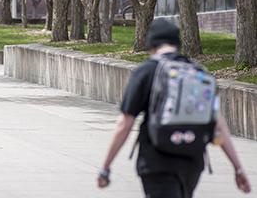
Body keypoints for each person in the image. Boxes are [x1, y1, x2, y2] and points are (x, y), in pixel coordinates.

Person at [97, 18, 251, 197]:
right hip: (192, 161)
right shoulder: (199, 72)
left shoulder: (146, 71)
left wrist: (106, 166)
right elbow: (219, 125)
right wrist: (238, 168)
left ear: (151, 44)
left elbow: (125, 123)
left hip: (156, 162)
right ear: (177, 43)